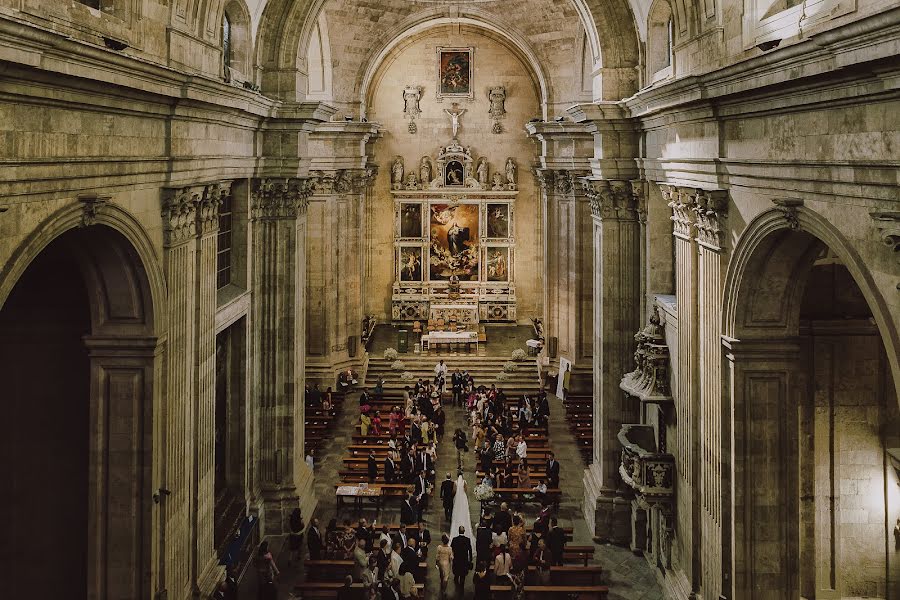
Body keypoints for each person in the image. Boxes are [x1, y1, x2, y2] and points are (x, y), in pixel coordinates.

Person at [435, 533, 453, 598]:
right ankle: (444, 590)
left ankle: (441, 582)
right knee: (446, 577)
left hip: (440, 562)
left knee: (441, 574)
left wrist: (436, 563)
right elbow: (451, 557)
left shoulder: (439, 547)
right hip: (447, 564)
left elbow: (437, 556)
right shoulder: (449, 549)